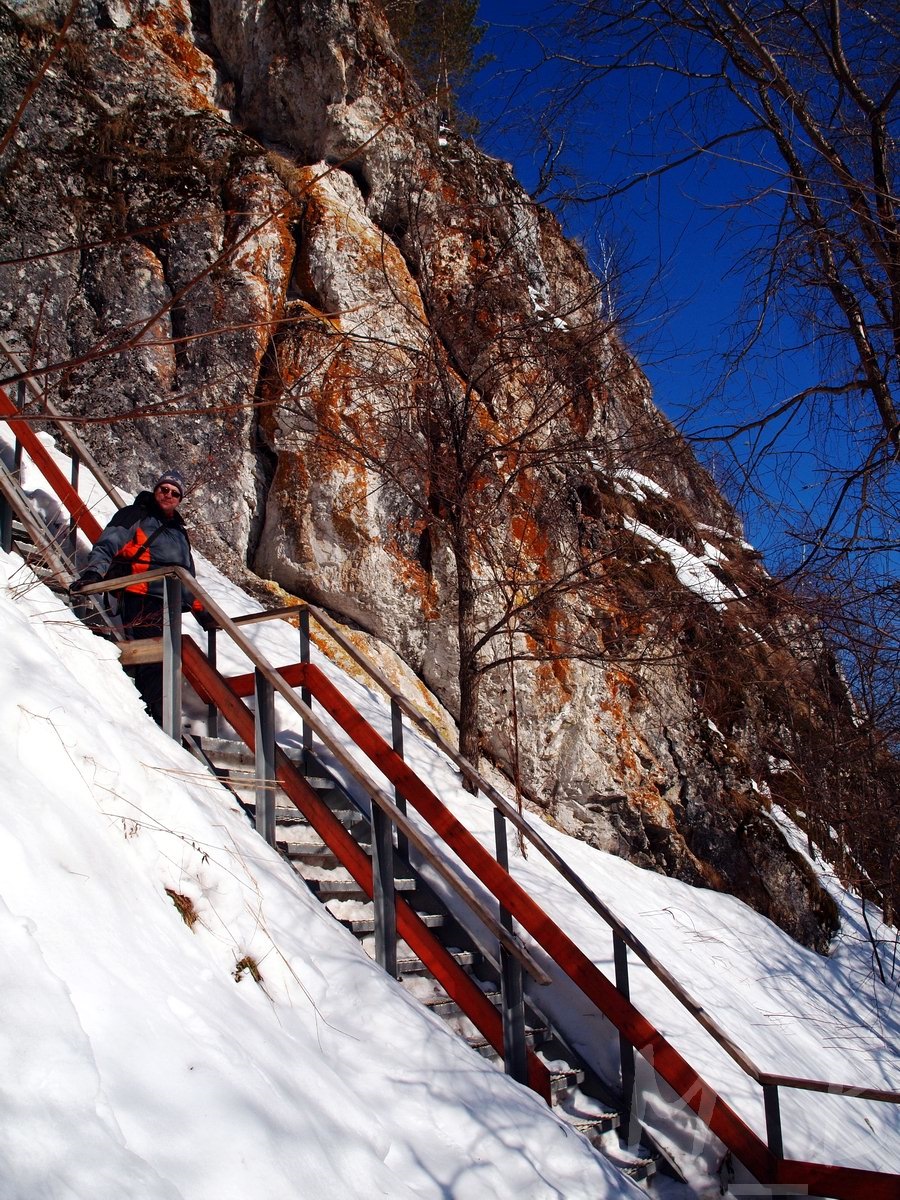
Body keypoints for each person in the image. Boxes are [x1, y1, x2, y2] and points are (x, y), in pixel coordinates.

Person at [70, 468, 213, 723]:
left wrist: (202, 610)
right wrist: (94, 574)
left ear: (180, 499)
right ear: (156, 489)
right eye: (164, 489)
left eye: (174, 493)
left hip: (168, 603)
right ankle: (155, 718)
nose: (168, 495)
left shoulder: (179, 531)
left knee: (166, 660)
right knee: (155, 658)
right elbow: (108, 544)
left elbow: (186, 576)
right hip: (140, 595)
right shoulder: (135, 515)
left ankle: (158, 715)